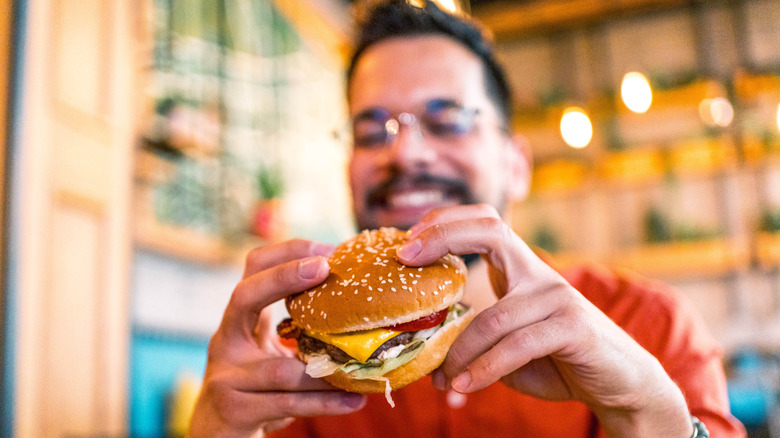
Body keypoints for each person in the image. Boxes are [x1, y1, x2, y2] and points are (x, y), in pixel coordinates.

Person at [188, 1, 746, 436]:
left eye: (448, 119)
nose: (404, 153)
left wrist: (648, 412)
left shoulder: (653, 327)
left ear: (517, 165)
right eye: (370, 129)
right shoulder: (295, 364)